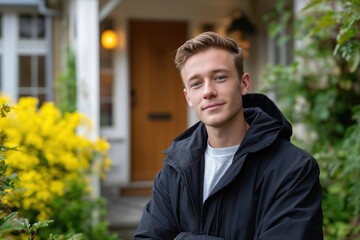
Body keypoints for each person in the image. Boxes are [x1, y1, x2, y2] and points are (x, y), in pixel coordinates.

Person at [134, 31, 323, 239]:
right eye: (196, 83)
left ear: (244, 84)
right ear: (188, 97)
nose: (208, 91)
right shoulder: (175, 169)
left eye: (220, 77)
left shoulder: (294, 169)